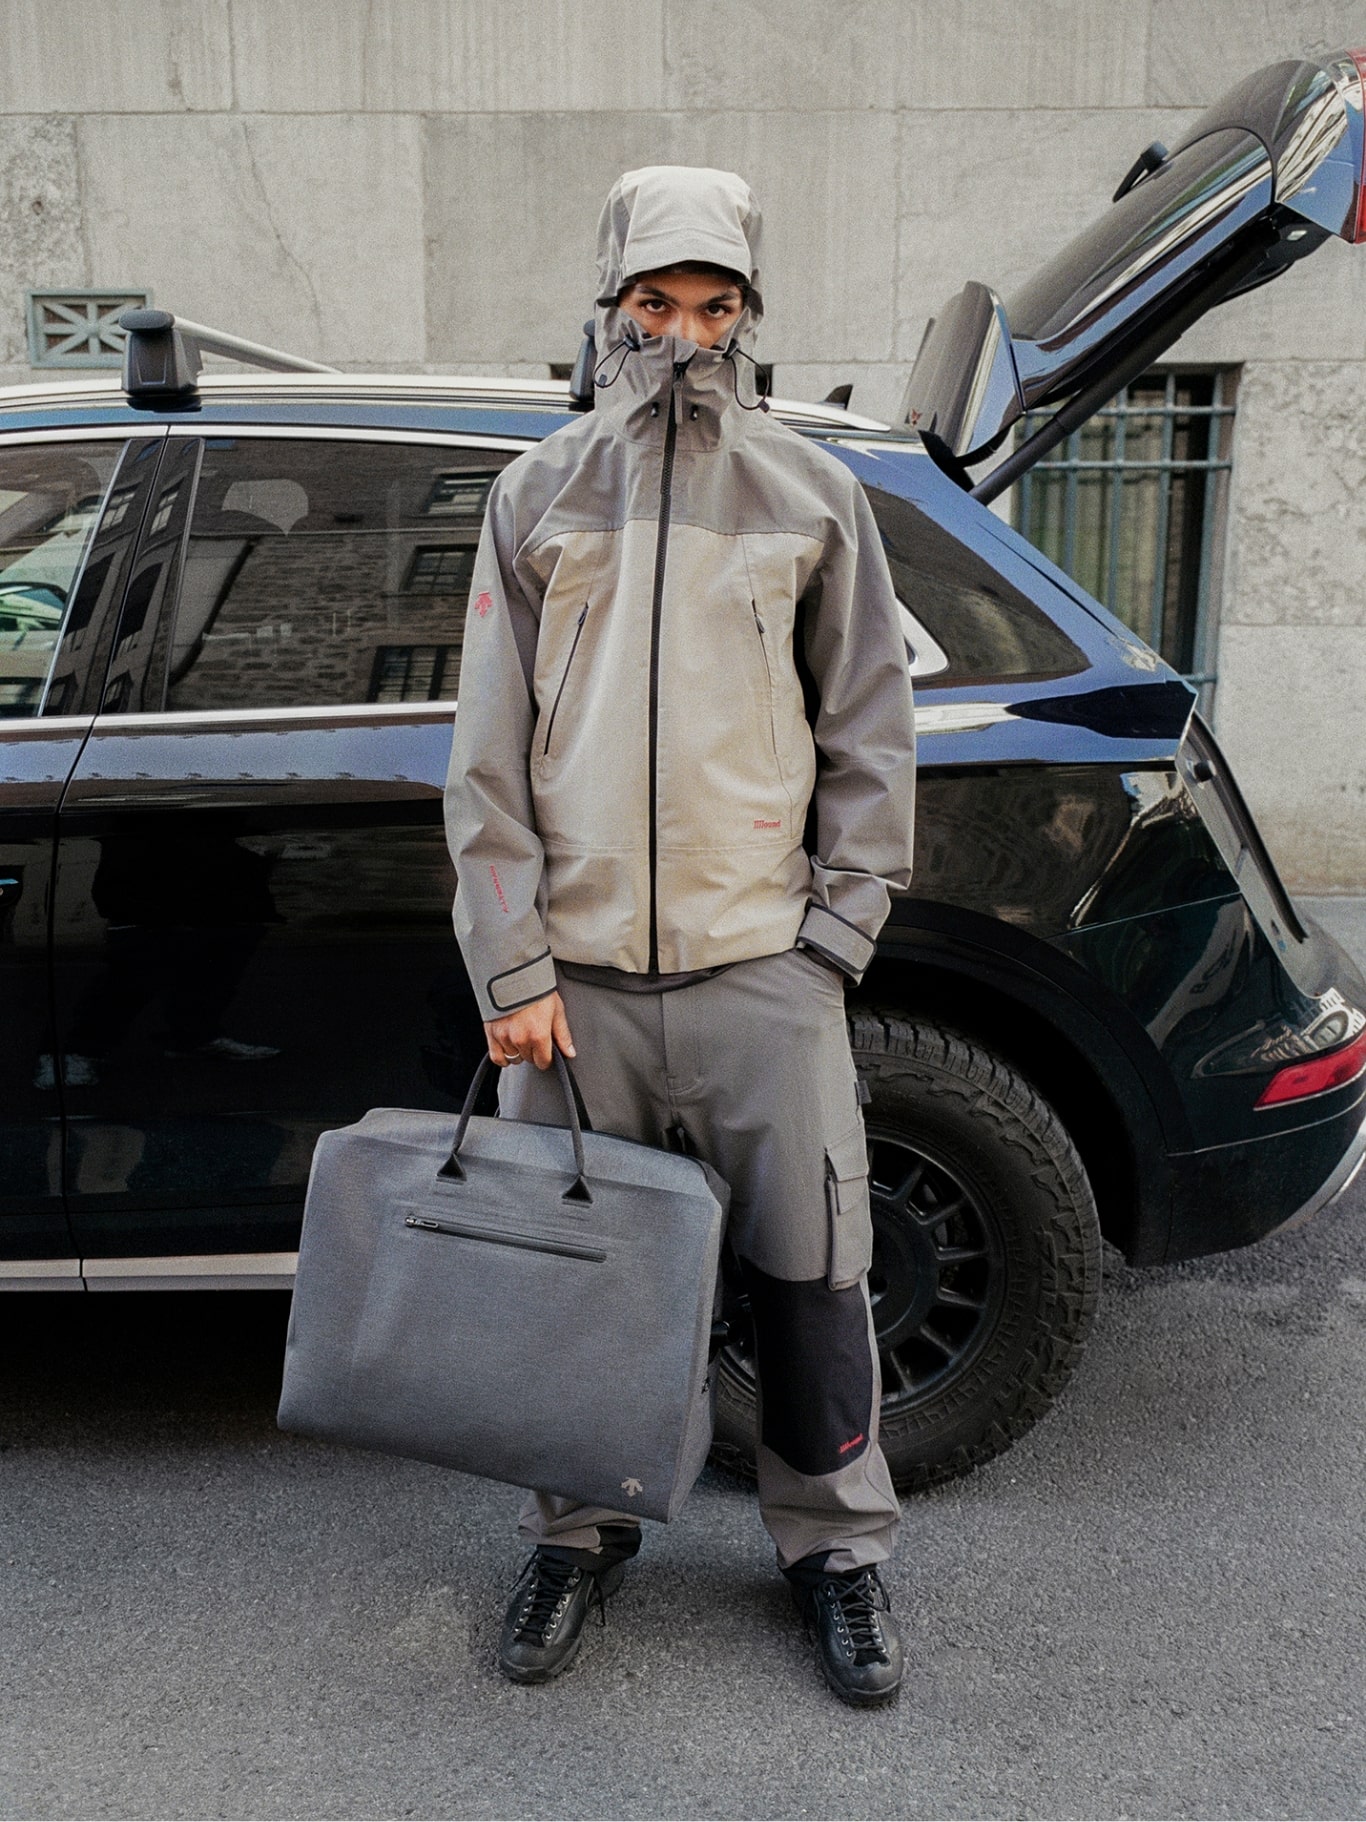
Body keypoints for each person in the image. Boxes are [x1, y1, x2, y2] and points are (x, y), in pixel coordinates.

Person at [444, 165, 917, 1706]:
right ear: (610, 305)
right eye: (655, 302)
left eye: (715, 305)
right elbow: (484, 758)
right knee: (572, 1286)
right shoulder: (536, 494)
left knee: (814, 1280)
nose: (684, 333)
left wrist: (831, 940)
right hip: (574, 993)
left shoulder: (811, 494)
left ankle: (832, 1551)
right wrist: (513, 963)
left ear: (749, 313)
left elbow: (869, 731)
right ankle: (574, 1535)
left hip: (760, 972)